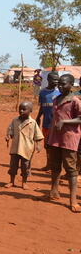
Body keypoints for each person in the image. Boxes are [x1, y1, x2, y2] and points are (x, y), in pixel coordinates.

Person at [46, 74, 81, 212]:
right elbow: (54, 119)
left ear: (71, 84)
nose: (60, 86)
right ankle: (54, 191)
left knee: (71, 170)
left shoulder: (75, 101)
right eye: (59, 84)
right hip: (55, 138)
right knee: (55, 166)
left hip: (69, 139)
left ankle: (73, 200)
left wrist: (65, 122)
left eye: (63, 84)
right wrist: (49, 137)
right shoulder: (56, 99)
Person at [5, 101, 43, 190]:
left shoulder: (32, 123)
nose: (21, 111)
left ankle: (24, 182)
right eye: (20, 109)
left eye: (24, 109)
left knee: (25, 166)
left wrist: (38, 145)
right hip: (15, 148)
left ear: (30, 111)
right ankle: (11, 181)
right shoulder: (15, 121)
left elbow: (37, 135)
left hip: (27, 149)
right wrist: (8, 136)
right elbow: (10, 130)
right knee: (13, 166)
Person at [36, 71, 60, 170]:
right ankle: (49, 164)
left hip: (56, 124)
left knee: (55, 146)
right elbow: (42, 107)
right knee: (47, 145)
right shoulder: (42, 93)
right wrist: (38, 117)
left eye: (57, 80)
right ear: (48, 80)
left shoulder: (59, 92)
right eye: (54, 80)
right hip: (46, 123)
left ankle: (56, 166)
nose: (56, 82)